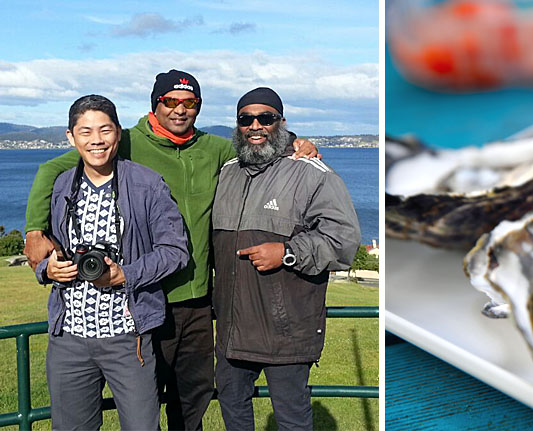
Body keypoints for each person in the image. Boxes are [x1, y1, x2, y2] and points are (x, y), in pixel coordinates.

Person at [22, 70, 320, 430]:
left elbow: (257, 143)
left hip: (196, 298)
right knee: (142, 401)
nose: (180, 110)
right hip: (148, 298)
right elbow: (53, 168)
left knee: (191, 397)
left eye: (190, 102)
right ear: (155, 104)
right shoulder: (125, 139)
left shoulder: (216, 148)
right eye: (171, 101)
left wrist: (295, 143)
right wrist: (35, 229)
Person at [36, 95, 189, 430]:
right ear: (70, 137)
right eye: (86, 131)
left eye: (105, 130)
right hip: (69, 338)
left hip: (127, 338)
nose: (96, 140)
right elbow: (51, 249)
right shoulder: (63, 185)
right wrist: (46, 269)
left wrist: (126, 274)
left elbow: (176, 251)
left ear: (118, 134)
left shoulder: (147, 184)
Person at [212, 87, 360, 430]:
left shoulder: (311, 173)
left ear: (282, 122)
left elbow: (345, 240)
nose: (255, 126)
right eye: (246, 119)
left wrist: (288, 252)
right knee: (232, 411)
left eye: (266, 118)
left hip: (286, 332)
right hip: (232, 330)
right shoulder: (226, 173)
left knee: (292, 420)